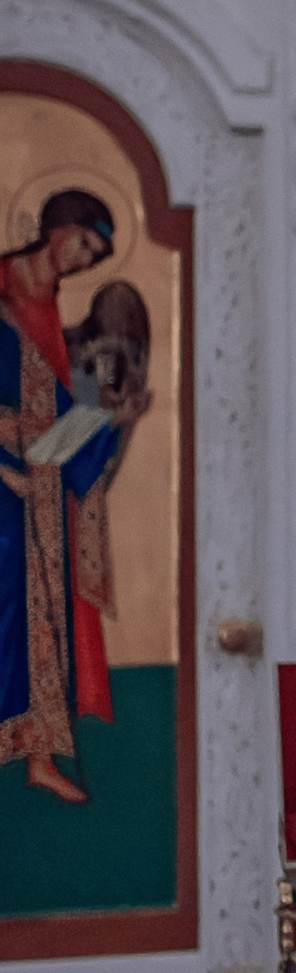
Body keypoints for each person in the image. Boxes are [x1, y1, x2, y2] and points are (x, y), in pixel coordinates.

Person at [1, 187, 133, 804]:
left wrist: (106, 411)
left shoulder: (51, 309)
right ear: (59, 227)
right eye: (85, 242)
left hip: (39, 492)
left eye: (98, 254)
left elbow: (57, 403)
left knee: (42, 625)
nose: (85, 259)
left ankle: (40, 758)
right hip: (7, 485)